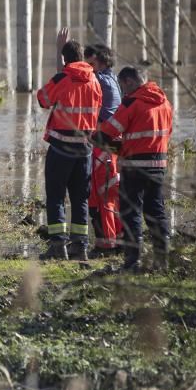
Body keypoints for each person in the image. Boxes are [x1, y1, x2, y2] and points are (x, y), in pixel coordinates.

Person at [93, 67, 173, 271]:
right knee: (156, 212)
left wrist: (94, 137)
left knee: (131, 213)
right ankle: (162, 260)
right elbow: (167, 133)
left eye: (122, 86)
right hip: (159, 164)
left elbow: (110, 130)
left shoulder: (131, 102)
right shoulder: (164, 102)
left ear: (128, 82)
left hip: (135, 166)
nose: (123, 92)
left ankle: (132, 260)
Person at [36, 29, 102, 260]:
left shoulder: (63, 78)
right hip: (85, 149)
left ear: (65, 60)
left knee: (55, 196)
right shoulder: (94, 80)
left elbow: (43, 99)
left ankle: (57, 245)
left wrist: (58, 61)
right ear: (83, 58)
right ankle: (80, 247)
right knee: (80, 199)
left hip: (61, 148)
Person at [83, 43, 122, 254]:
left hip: (103, 145)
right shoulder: (113, 78)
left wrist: (62, 57)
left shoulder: (101, 80)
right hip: (112, 144)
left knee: (102, 196)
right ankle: (117, 239)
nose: (88, 68)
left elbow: (75, 77)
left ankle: (107, 244)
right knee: (109, 194)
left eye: (91, 64)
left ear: (102, 62)